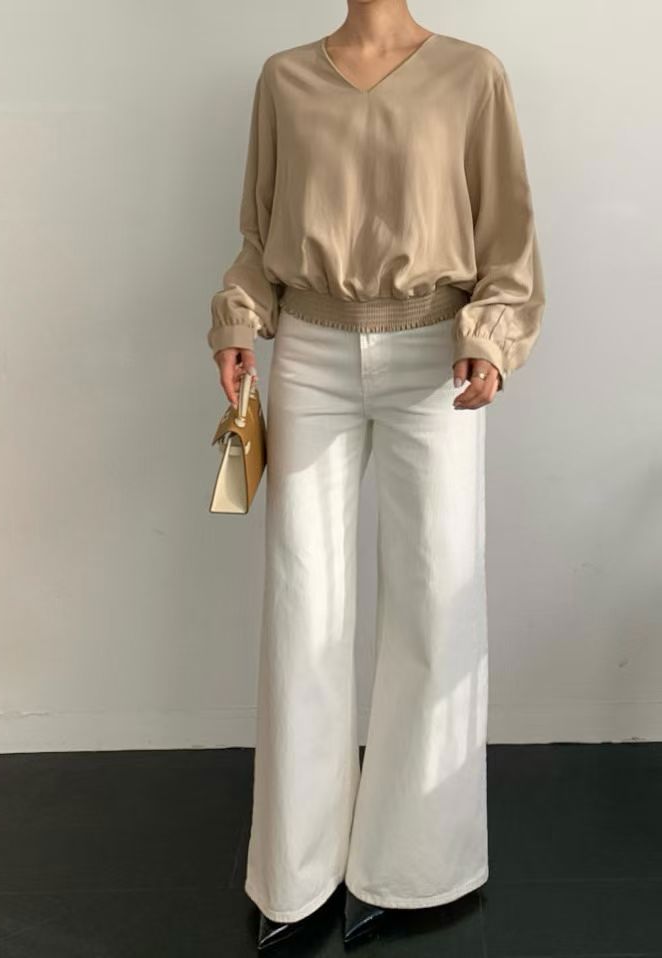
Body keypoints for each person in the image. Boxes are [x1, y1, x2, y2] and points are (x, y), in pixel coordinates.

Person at [207, 2, 545, 949]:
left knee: (437, 603)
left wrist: (494, 337)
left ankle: (417, 865)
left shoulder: (472, 73)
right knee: (303, 606)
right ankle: (296, 871)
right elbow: (259, 232)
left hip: (435, 354)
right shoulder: (285, 77)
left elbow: (508, 231)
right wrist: (237, 318)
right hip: (308, 352)